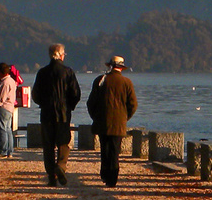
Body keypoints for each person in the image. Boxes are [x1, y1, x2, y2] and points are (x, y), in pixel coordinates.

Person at [32, 43, 82, 184]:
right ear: (61, 55)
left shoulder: (42, 72)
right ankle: (60, 166)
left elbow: (35, 94)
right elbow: (76, 93)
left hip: (47, 112)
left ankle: (51, 176)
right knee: (63, 142)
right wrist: (69, 105)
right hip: (63, 113)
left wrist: (42, 103)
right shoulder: (68, 72)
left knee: (48, 145)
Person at [88, 56, 137, 188]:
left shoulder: (100, 80)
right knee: (115, 151)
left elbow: (91, 103)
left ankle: (105, 174)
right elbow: (133, 104)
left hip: (102, 121)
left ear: (109, 66)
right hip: (119, 123)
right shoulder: (127, 82)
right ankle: (113, 178)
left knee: (105, 149)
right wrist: (125, 117)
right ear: (121, 68)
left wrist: (95, 117)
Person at [0, 63, 18, 160]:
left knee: (2, 129)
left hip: (3, 107)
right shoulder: (12, 81)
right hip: (10, 107)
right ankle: (10, 150)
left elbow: (2, 97)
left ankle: (4, 150)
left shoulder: (5, 82)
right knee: (8, 129)